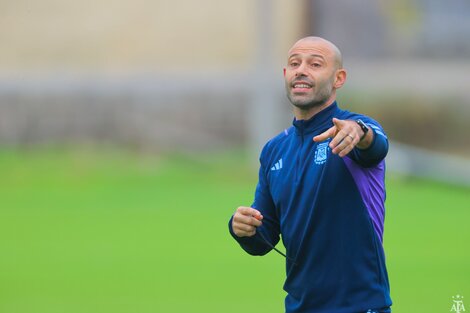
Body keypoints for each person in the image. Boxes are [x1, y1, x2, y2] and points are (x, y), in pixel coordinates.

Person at [228, 36, 392, 313]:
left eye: (315, 64)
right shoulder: (274, 150)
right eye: (294, 63)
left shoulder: (351, 129)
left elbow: (375, 146)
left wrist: (358, 131)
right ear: (286, 75)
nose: (301, 70)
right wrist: (241, 227)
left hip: (360, 306)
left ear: (338, 78)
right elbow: (263, 238)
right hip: (300, 307)